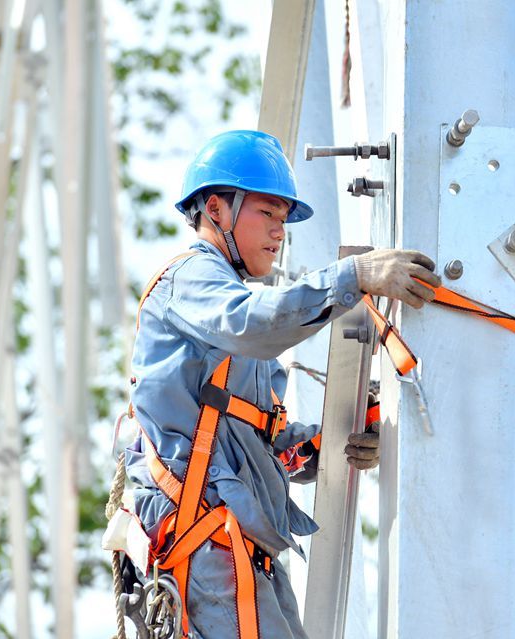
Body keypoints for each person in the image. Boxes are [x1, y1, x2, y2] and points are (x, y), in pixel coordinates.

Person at [124, 129, 441, 638]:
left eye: (283, 220)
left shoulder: (240, 329)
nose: (279, 232)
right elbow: (255, 322)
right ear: (217, 210)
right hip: (205, 543)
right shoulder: (193, 281)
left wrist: (342, 439)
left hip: (237, 546)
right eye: (267, 213)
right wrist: (354, 276)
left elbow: (265, 446)